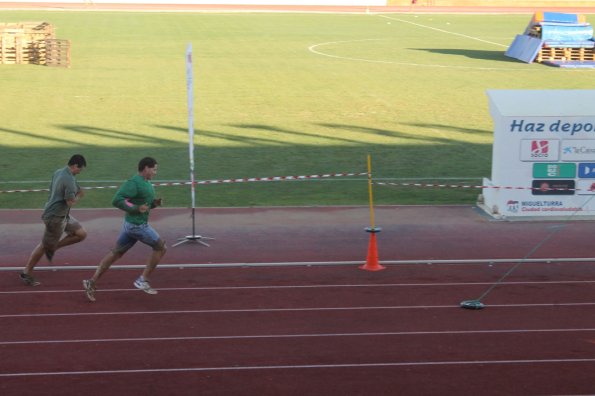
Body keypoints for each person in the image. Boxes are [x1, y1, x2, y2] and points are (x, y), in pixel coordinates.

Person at [83, 157, 166, 302]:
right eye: (154, 169)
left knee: (116, 253)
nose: (155, 172)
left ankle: (92, 281)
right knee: (160, 247)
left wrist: (153, 204)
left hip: (130, 226)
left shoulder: (146, 183)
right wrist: (135, 208)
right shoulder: (134, 183)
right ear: (146, 168)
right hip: (137, 226)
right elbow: (117, 200)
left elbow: (142, 205)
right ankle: (142, 280)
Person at [21, 154, 88, 286]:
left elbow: (61, 188)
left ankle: (52, 248)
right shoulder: (68, 179)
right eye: (80, 169)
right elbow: (70, 202)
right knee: (43, 246)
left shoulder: (59, 172)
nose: (80, 172)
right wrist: (79, 196)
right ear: (75, 166)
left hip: (63, 215)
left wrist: (78, 191)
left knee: (81, 234)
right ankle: (26, 272)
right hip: (55, 218)